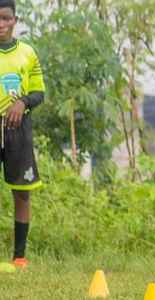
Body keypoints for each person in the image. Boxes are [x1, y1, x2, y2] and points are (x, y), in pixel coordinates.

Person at [0, 0, 46, 269]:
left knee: (22, 193)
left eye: (6, 18)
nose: (1, 24)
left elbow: (40, 92)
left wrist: (23, 102)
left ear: (15, 20)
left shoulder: (27, 53)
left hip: (18, 130)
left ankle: (19, 256)